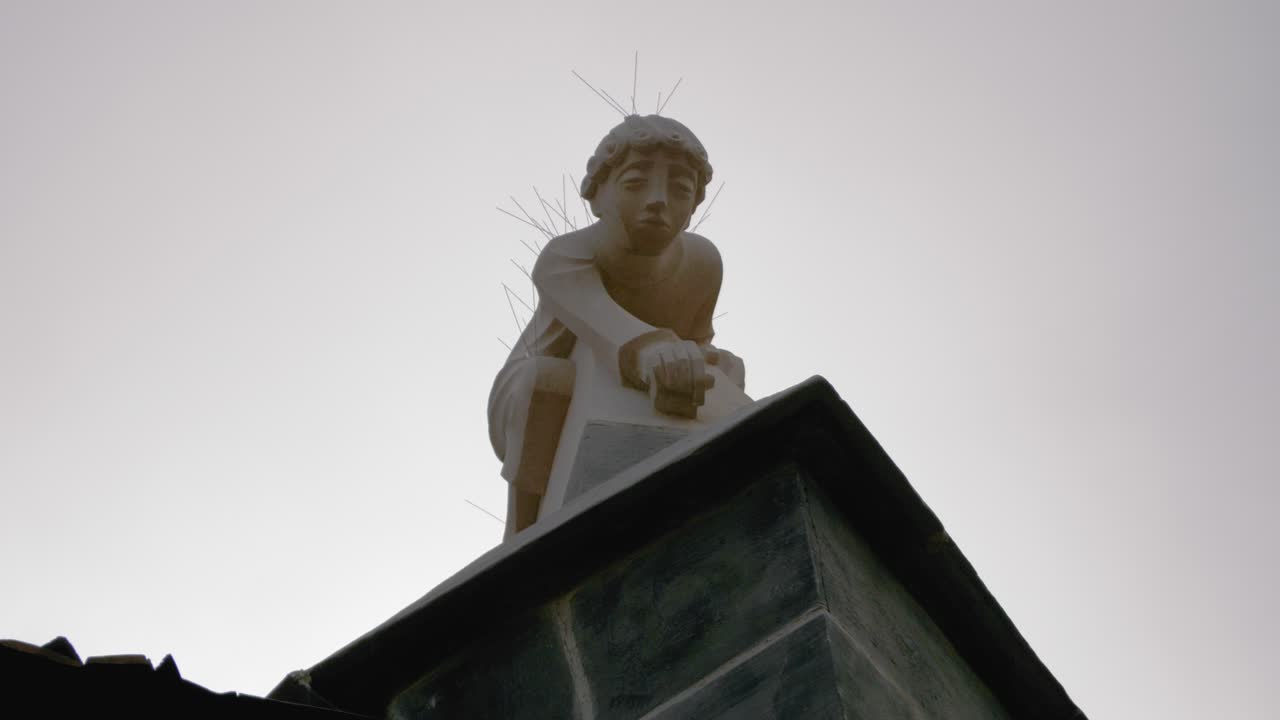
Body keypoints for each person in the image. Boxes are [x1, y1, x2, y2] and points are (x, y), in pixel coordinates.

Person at [488, 114, 745, 537]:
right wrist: (651, 351)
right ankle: (521, 531)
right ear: (598, 196)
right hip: (528, 398)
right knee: (547, 379)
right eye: (635, 183)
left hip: (643, 378)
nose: (659, 200)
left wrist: (713, 361)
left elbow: (696, 340)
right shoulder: (565, 256)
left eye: (680, 189)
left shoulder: (703, 263)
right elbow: (606, 326)